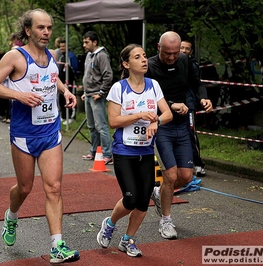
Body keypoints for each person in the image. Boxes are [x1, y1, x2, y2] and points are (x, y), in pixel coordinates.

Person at [0, 9, 80, 264]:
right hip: (24, 135)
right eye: (41, 28)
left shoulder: (49, 55)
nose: (46, 32)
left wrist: (65, 91)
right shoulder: (15, 57)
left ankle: (57, 245)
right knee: (25, 187)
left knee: (54, 188)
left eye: (49, 28)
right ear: (28, 30)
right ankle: (11, 216)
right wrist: (20, 96)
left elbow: (52, 77)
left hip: (50, 132)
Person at [97, 44, 172, 257]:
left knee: (143, 201)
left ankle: (128, 239)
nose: (144, 60)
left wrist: (156, 120)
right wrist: (139, 115)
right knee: (130, 199)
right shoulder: (118, 88)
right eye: (137, 57)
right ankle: (110, 224)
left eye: (145, 56)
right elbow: (113, 121)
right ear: (126, 64)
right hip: (124, 152)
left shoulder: (153, 85)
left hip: (146, 152)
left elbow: (167, 113)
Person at [146, 31, 212, 239]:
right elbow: (148, 95)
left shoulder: (184, 61)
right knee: (170, 175)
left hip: (182, 126)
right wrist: (172, 105)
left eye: (175, 53)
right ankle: (166, 221)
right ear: (159, 48)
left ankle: (159, 193)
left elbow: (196, 83)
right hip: (162, 125)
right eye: (168, 53)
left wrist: (203, 98)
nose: (172, 57)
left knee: (185, 176)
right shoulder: (150, 66)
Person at [81, 31, 113, 165]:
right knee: (91, 126)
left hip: (96, 96)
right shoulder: (89, 55)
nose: (84, 45)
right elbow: (88, 76)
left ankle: (107, 154)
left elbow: (108, 75)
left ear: (94, 42)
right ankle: (94, 151)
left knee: (101, 126)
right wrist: (85, 91)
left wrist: (101, 92)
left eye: (87, 42)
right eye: (83, 42)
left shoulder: (102, 56)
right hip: (88, 95)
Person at [180, 40, 206, 177]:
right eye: (181, 48)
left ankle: (198, 164)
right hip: (172, 104)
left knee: (190, 134)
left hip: (188, 104)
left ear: (191, 52)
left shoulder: (192, 65)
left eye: (187, 49)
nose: (184, 50)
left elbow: (197, 83)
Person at [58, 39, 78, 125]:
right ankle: (63, 116)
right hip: (61, 82)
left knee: (70, 98)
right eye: (60, 46)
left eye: (63, 46)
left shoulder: (71, 56)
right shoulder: (61, 56)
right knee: (61, 99)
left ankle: (71, 117)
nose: (62, 48)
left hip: (69, 81)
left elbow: (75, 68)